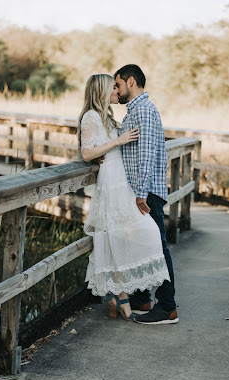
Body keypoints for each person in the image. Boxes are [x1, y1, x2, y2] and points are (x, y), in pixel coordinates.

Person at [77, 74, 170, 321]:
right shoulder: (90, 116)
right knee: (114, 238)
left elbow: (106, 146)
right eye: (113, 87)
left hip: (123, 182)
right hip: (111, 182)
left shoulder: (107, 115)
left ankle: (126, 298)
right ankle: (122, 298)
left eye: (117, 86)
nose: (116, 91)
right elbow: (87, 153)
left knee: (139, 233)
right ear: (102, 90)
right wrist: (116, 141)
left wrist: (113, 143)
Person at [114, 64, 179, 325]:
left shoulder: (142, 109)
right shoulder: (135, 110)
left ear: (131, 82)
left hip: (147, 193)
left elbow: (147, 154)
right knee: (141, 243)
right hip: (141, 191)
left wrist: (140, 193)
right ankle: (142, 298)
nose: (115, 90)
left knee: (158, 247)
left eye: (117, 84)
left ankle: (168, 307)